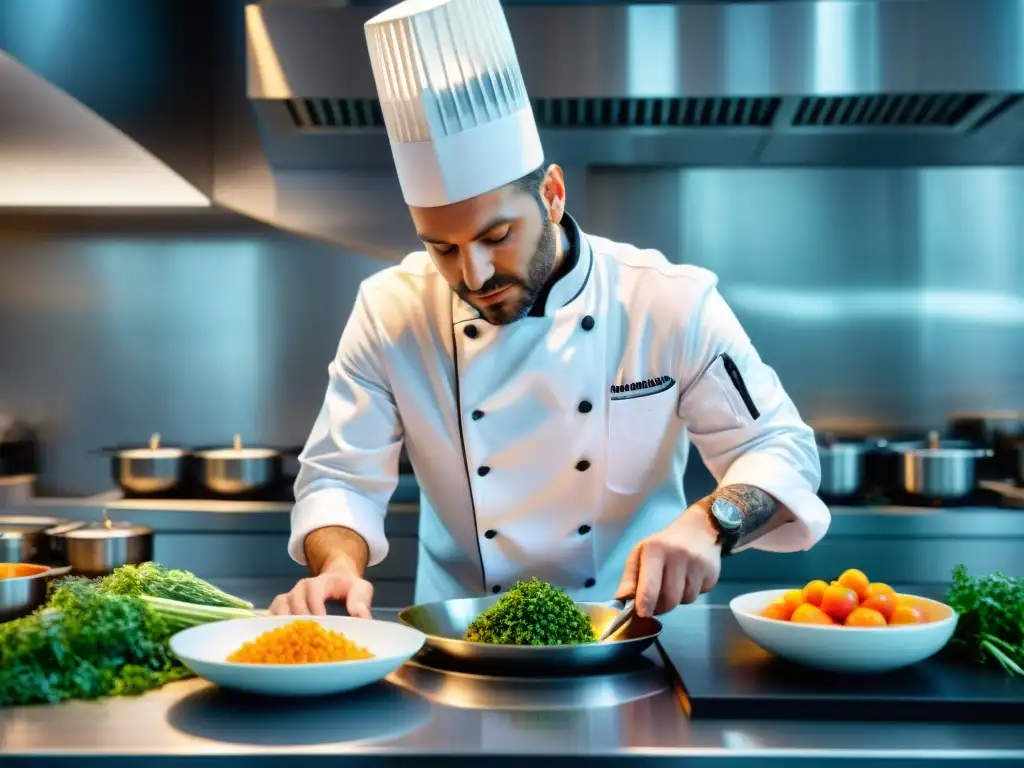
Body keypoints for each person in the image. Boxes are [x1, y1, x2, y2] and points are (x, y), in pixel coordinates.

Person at [269, 0, 830, 620]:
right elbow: (339, 480)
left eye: (495, 236)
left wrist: (712, 521)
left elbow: (781, 448)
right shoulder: (389, 311)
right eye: (443, 248)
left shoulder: (667, 302)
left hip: (631, 634)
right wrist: (339, 567)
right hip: (457, 641)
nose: (473, 275)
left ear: (553, 195)